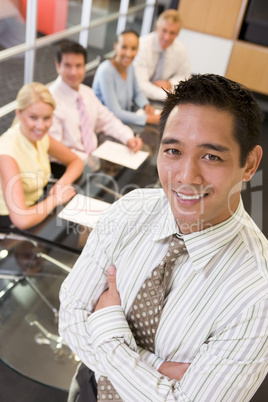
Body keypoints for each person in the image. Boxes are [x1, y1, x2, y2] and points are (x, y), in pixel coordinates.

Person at [59, 74, 267, 402]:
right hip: (89, 390)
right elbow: (70, 317)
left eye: (211, 156)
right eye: (173, 150)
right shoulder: (131, 210)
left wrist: (109, 335)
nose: (186, 176)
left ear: (249, 164)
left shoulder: (258, 291)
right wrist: (157, 370)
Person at [0, 82, 84, 230]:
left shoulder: (40, 137)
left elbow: (76, 161)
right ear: (18, 113)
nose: (41, 126)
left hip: (38, 205)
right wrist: (55, 199)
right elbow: (21, 220)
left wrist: (62, 184)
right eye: (33, 117)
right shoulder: (7, 152)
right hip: (10, 222)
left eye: (47, 118)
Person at [48, 40, 142, 163]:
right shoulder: (50, 101)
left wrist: (128, 137)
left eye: (78, 66)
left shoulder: (86, 92)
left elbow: (107, 120)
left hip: (95, 159)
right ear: (58, 66)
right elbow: (53, 151)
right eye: (68, 66)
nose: (74, 72)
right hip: (68, 165)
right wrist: (88, 160)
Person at [92, 30, 160, 126]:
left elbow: (137, 92)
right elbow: (115, 112)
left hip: (123, 124)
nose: (129, 54)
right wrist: (147, 119)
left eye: (133, 48)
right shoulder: (106, 71)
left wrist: (146, 105)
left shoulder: (130, 67)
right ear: (115, 47)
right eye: (124, 47)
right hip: (105, 126)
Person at [133, 9, 191, 101]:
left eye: (172, 33)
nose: (167, 37)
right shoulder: (142, 45)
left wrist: (169, 83)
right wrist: (168, 95)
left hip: (164, 95)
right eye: (164, 30)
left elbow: (185, 75)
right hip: (140, 95)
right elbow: (140, 84)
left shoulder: (180, 49)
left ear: (178, 34)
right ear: (157, 28)